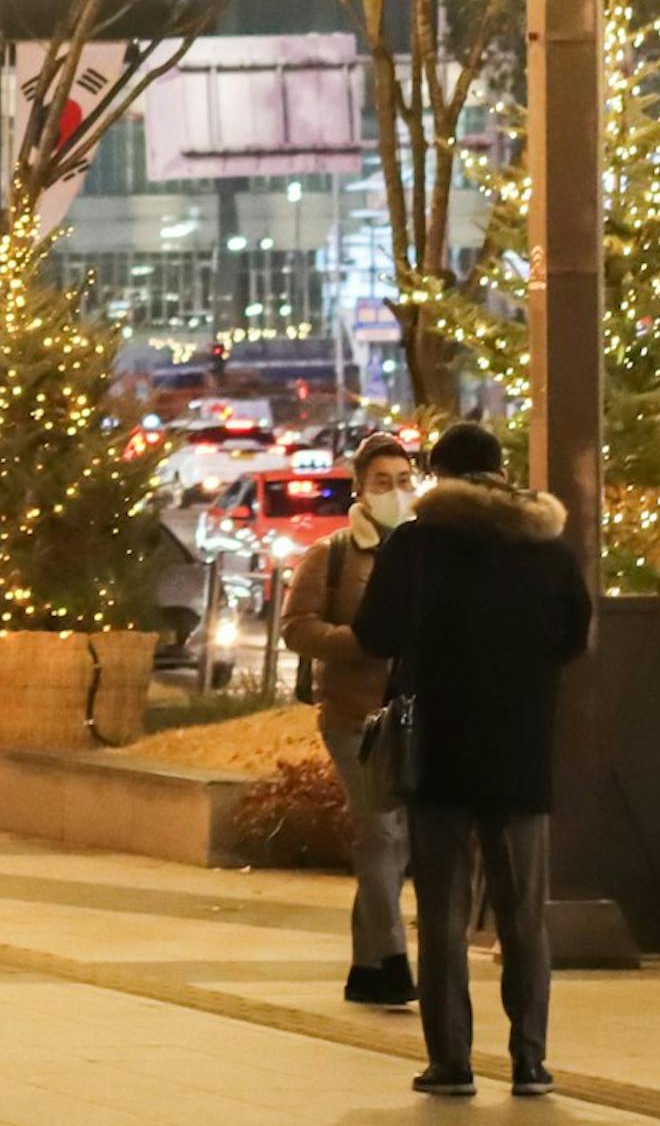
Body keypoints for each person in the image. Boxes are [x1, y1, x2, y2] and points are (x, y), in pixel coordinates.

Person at [352, 420, 593, 1102]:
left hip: (438, 750)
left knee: (443, 912)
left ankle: (451, 1063)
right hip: (520, 751)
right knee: (523, 915)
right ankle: (530, 1061)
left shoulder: (418, 544)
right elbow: (575, 634)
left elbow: (375, 632)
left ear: (441, 474)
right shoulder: (546, 545)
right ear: (500, 471)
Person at [281, 429, 419, 1009]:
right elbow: (297, 627)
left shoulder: (423, 548)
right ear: (360, 489)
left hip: (412, 714)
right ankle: (391, 962)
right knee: (380, 830)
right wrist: (360, 642)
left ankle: (365, 969)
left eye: (404, 480)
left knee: (396, 839)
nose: (395, 491)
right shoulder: (332, 554)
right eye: (383, 482)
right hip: (352, 715)